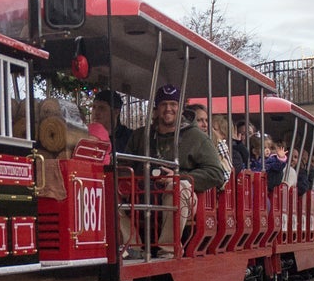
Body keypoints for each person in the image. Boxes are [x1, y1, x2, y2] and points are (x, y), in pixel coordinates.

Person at [147, 85, 225, 259]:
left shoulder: (197, 137)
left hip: (186, 197)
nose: (168, 108)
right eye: (163, 104)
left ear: (181, 108)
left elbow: (216, 173)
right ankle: (131, 247)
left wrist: (178, 177)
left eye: (173, 104)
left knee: (177, 188)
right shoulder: (142, 136)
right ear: (156, 109)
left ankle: (168, 249)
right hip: (144, 193)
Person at [91, 90, 133, 155]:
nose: (96, 112)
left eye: (101, 108)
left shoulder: (129, 138)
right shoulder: (87, 135)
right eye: (94, 107)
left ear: (116, 112)